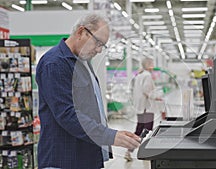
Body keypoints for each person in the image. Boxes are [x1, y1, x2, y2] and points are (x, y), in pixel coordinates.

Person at [36, 13, 141, 169]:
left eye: (102, 46)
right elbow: (67, 114)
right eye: (97, 42)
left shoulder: (82, 61)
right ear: (81, 32)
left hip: (84, 156)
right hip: (64, 159)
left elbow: (88, 106)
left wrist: (109, 133)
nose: (99, 50)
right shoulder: (55, 63)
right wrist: (110, 136)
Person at [124, 57, 162, 161]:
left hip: (140, 107)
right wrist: (156, 97)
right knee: (147, 130)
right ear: (148, 64)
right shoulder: (147, 75)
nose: (153, 65)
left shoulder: (139, 75)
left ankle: (129, 151)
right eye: (152, 63)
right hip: (146, 108)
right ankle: (146, 152)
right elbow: (146, 90)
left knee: (139, 129)